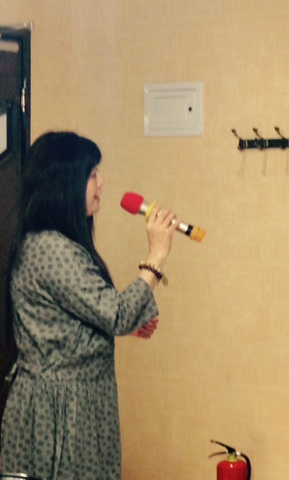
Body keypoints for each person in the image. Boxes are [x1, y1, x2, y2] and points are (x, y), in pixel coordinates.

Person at [0, 131, 179, 479]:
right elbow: (118, 314)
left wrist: (111, 327)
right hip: (58, 410)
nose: (102, 182)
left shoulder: (56, 243)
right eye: (93, 173)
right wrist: (156, 256)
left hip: (78, 403)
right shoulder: (50, 248)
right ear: (65, 183)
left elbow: (85, 313)